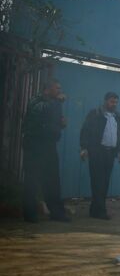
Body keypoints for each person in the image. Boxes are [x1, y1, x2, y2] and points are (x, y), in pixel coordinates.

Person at [21, 79, 69, 223]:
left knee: (53, 180)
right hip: (34, 146)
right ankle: (30, 215)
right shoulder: (36, 100)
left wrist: (62, 124)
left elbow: (53, 121)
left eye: (60, 88)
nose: (60, 91)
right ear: (47, 90)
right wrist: (56, 103)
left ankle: (56, 212)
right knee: (32, 180)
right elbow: (40, 111)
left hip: (49, 145)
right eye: (57, 88)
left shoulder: (55, 103)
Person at [80, 92, 120, 220]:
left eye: (116, 102)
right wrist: (84, 147)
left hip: (110, 153)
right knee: (97, 182)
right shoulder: (95, 114)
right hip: (97, 152)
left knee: (104, 183)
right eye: (112, 102)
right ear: (105, 101)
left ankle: (95, 210)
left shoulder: (117, 116)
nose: (114, 104)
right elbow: (85, 130)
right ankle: (100, 211)